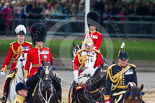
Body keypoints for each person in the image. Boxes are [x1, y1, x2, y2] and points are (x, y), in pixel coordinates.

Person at [24, 22, 62, 103]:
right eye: (39, 41)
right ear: (35, 41)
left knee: (57, 82)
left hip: (46, 72)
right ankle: (27, 100)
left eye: (42, 40)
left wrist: (50, 71)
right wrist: (26, 76)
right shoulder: (31, 51)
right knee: (29, 83)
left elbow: (51, 62)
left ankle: (59, 99)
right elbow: (27, 65)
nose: (41, 42)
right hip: (35, 72)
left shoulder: (47, 50)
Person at [0, 25, 32, 103]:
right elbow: (8, 58)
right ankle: (5, 95)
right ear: (17, 36)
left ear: (24, 37)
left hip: (26, 66)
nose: (21, 37)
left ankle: (31, 96)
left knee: (30, 80)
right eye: (19, 36)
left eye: (22, 36)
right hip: (15, 67)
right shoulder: (13, 46)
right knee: (8, 79)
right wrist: (3, 69)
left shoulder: (29, 45)